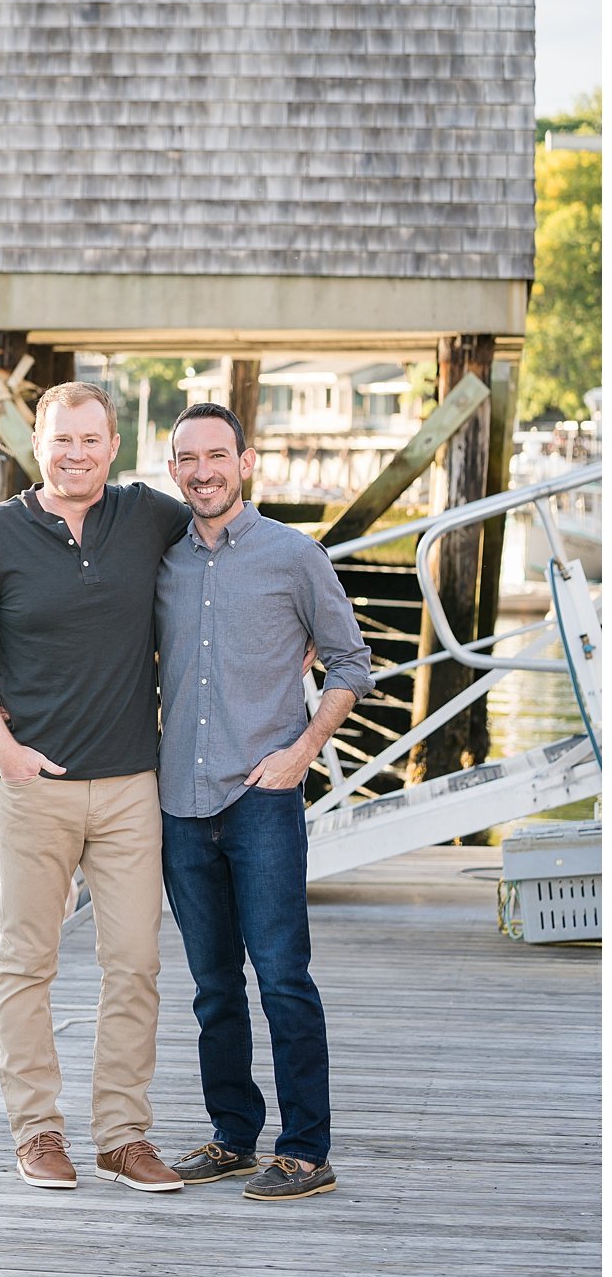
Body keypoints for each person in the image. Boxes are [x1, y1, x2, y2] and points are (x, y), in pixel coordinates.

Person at [0, 380, 191, 1192]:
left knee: (135, 964)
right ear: (37, 445)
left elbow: (234, 549)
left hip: (129, 788)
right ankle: (39, 1132)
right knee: (27, 965)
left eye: (90, 439)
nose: (75, 454)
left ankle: (123, 1136)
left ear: (112, 445)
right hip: (34, 788)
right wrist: (2, 750)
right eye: (61, 440)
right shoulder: (0, 532)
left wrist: (297, 628)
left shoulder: (150, 516)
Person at [155, 402, 374, 1201]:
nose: (203, 470)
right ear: (172, 469)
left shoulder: (295, 555)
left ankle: (306, 1149)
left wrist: (302, 751)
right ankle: (232, 1137)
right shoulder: (163, 561)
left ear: (248, 463)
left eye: (218, 454)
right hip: (180, 799)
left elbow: (351, 663)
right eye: (188, 458)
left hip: (263, 795)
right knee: (213, 985)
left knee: (282, 976)